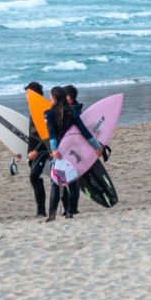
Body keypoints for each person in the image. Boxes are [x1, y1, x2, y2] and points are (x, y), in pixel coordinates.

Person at [45, 86, 102, 222]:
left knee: (55, 183)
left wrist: (54, 150)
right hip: (73, 150)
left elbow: (51, 133)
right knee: (72, 181)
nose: (49, 98)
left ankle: (52, 215)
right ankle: (70, 212)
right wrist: (97, 146)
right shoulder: (72, 112)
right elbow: (84, 131)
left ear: (54, 97)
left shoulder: (49, 113)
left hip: (59, 150)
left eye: (50, 96)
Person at [24, 81, 50, 217]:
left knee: (35, 177)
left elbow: (46, 135)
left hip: (43, 149)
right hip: (33, 152)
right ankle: (41, 210)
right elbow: (32, 135)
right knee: (37, 178)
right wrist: (26, 152)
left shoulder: (42, 111)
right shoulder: (33, 110)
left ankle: (41, 211)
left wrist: (36, 151)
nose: (26, 100)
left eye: (27, 96)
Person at [61, 84, 84, 215]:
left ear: (69, 97)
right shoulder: (72, 109)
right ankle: (68, 208)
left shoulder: (74, 111)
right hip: (67, 147)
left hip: (73, 148)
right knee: (65, 180)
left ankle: (72, 209)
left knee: (72, 181)